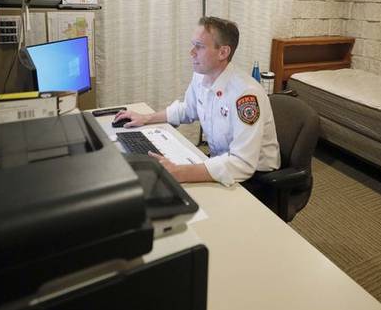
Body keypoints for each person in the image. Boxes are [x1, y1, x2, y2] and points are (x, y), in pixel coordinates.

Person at [113, 16, 279, 186]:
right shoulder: (201, 76)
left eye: (199, 47)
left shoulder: (246, 95)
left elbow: (242, 163)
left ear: (223, 52)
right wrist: (146, 118)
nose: (191, 52)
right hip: (221, 162)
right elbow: (187, 109)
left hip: (257, 178)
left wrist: (180, 172)